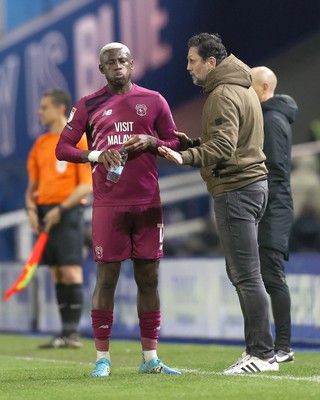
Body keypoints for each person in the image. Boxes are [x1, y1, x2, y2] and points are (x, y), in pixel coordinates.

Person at [55, 42, 181, 377]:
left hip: (147, 204)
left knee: (149, 278)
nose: (117, 65)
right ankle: (102, 359)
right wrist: (95, 155)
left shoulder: (154, 100)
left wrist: (153, 142)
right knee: (106, 279)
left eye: (123, 59)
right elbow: (62, 148)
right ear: (101, 68)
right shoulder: (88, 104)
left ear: (132, 63)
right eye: (110, 61)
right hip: (109, 205)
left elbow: (174, 141)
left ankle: (150, 357)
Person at [159, 33, 279, 374]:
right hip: (251, 185)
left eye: (192, 61)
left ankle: (261, 354)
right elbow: (231, 140)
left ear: (211, 63)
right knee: (245, 274)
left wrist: (185, 157)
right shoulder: (241, 86)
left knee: (246, 276)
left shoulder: (223, 93)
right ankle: (260, 350)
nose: (188, 68)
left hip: (236, 189)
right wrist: (194, 143)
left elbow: (224, 148)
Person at [25, 89, 92, 349]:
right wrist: (31, 210)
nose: (40, 112)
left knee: (70, 269)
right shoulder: (40, 145)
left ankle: (73, 333)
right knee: (56, 272)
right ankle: (64, 333)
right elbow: (32, 186)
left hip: (67, 212)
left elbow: (86, 186)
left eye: (44, 107)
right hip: (43, 213)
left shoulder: (78, 140)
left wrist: (61, 210)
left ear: (60, 108)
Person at [251, 66, 298, 363]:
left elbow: (278, 171)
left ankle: (283, 347)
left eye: (250, 85)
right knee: (265, 276)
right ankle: (274, 345)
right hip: (268, 206)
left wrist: (263, 203)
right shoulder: (267, 118)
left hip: (274, 207)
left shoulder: (272, 120)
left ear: (265, 87)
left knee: (272, 276)